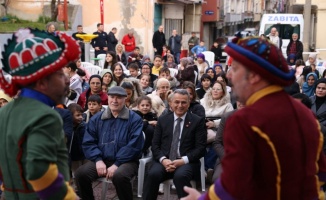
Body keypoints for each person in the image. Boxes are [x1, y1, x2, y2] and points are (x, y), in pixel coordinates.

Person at [182, 37, 326, 200]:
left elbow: (232, 185)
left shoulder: (246, 120)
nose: (229, 74)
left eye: (235, 68)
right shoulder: (307, 114)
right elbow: (320, 173)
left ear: (255, 76)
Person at [0, 28, 79, 199]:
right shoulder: (46, 116)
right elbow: (39, 170)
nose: (67, 80)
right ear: (42, 82)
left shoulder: (4, 112)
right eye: (59, 74)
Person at [75, 86, 144, 200]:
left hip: (126, 161)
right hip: (102, 159)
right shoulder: (97, 119)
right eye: (112, 97)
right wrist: (98, 160)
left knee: (120, 176)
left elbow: (134, 145)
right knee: (80, 174)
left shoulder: (134, 119)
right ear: (107, 98)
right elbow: (88, 142)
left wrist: (117, 163)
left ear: (125, 99)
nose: (115, 101)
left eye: (119, 98)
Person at [142, 89, 207, 200]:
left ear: (189, 103)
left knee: (180, 176)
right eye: (176, 102)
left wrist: (183, 160)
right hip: (164, 160)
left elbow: (200, 148)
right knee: (152, 174)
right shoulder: (163, 120)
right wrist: (163, 159)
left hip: (187, 162)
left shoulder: (197, 121)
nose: (180, 105)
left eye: (184, 102)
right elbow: (155, 145)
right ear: (171, 103)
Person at [67, 103, 86, 176]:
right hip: (73, 155)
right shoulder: (68, 127)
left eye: (81, 115)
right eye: (78, 115)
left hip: (83, 154)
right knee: (76, 173)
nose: (81, 117)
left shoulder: (84, 126)